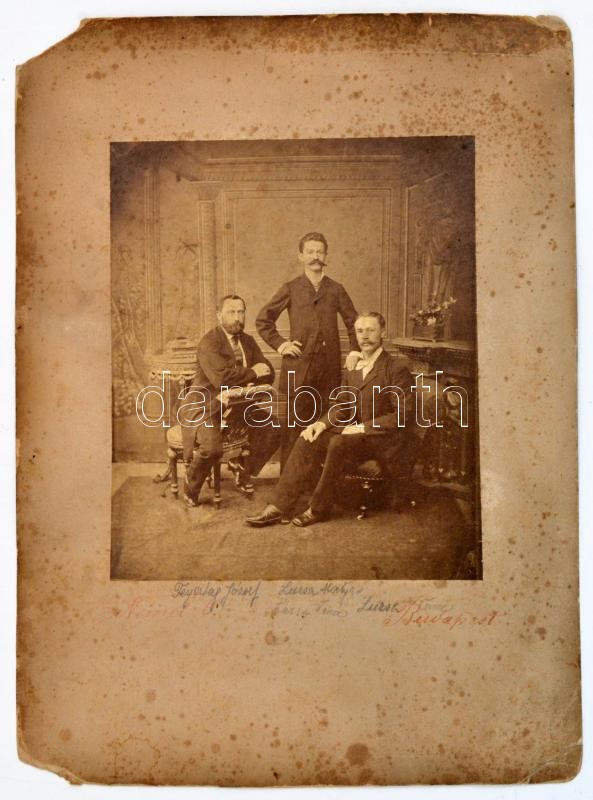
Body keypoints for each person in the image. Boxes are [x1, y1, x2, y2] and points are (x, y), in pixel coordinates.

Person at [245, 311, 413, 528]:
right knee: (308, 437)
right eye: (360, 331)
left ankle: (318, 509)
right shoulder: (353, 367)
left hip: (384, 441)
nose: (364, 336)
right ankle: (278, 507)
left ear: (383, 332)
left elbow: (402, 416)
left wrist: (361, 427)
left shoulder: (396, 368)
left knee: (338, 442)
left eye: (371, 330)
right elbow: (342, 406)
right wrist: (319, 424)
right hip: (357, 438)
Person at [255, 232, 360, 467]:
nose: (315, 256)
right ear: (300, 256)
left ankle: (318, 482)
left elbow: (354, 322)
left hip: (328, 373)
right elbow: (263, 320)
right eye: (310, 252)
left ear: (326, 256)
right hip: (298, 371)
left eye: (319, 252)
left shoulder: (336, 289)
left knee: (325, 426)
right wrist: (282, 344)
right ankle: (288, 484)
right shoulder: (291, 288)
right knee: (293, 429)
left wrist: (354, 351)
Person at [180, 294, 280, 507]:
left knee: (275, 428)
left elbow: (269, 372)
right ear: (219, 315)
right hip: (206, 406)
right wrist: (252, 372)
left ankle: (242, 468)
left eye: (240, 312)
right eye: (231, 312)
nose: (237, 317)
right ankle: (191, 484)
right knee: (212, 449)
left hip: (238, 405)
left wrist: (252, 374)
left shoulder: (248, 341)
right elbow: (221, 379)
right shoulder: (209, 342)